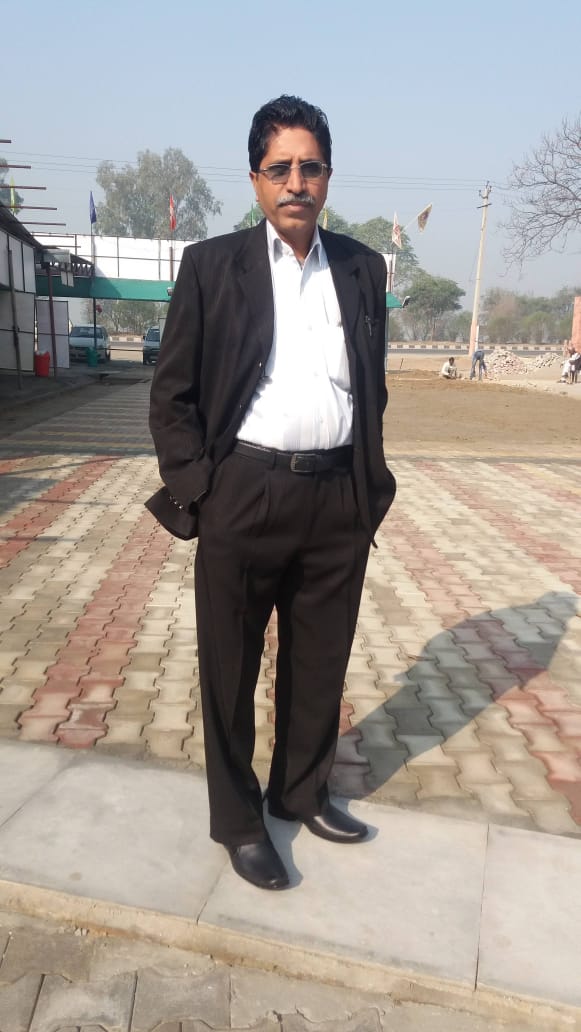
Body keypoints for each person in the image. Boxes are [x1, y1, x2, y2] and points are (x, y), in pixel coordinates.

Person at [148, 95, 396, 892]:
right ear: (255, 178)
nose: (296, 182)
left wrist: (367, 487)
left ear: (328, 175)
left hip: (336, 498)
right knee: (230, 667)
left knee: (319, 661)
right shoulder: (211, 266)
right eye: (279, 167)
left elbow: (370, 385)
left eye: (309, 167)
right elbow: (172, 394)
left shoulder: (361, 268)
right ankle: (237, 820)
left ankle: (301, 793)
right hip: (244, 494)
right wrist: (201, 488)